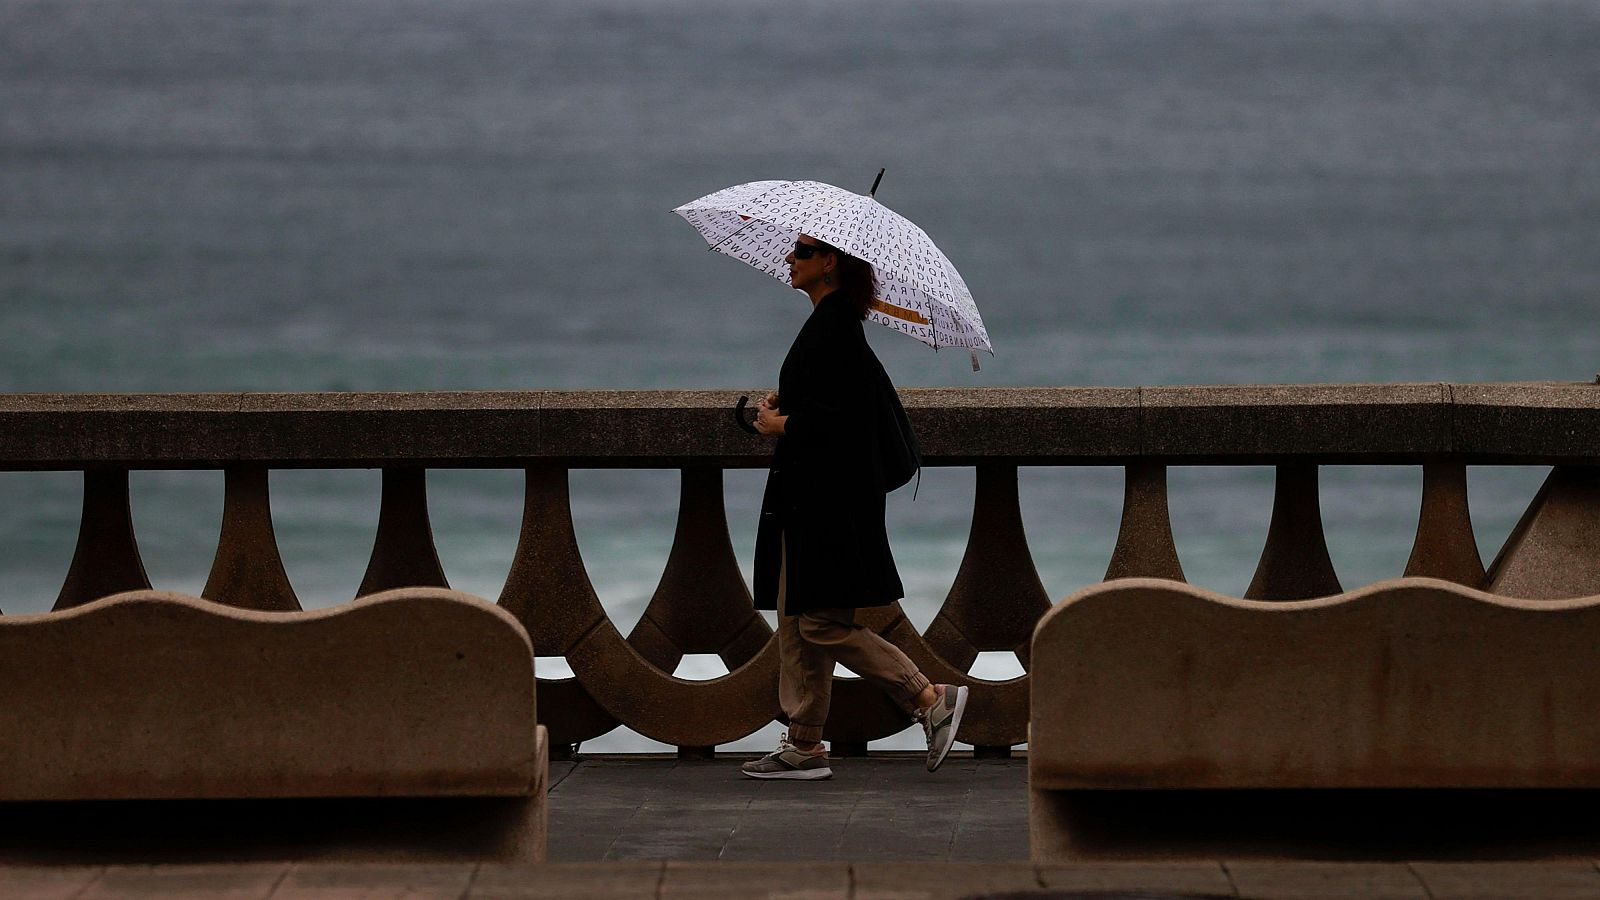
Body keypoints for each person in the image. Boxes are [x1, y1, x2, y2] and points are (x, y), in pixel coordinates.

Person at [740, 233, 969, 781]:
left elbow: (843, 427)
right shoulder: (831, 325)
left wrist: (781, 424)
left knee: (819, 623)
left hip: (828, 503)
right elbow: (833, 404)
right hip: (812, 500)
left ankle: (928, 697)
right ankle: (804, 744)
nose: (788, 260)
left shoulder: (835, 329)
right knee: (798, 620)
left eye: (800, 252)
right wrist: (784, 405)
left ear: (829, 263)